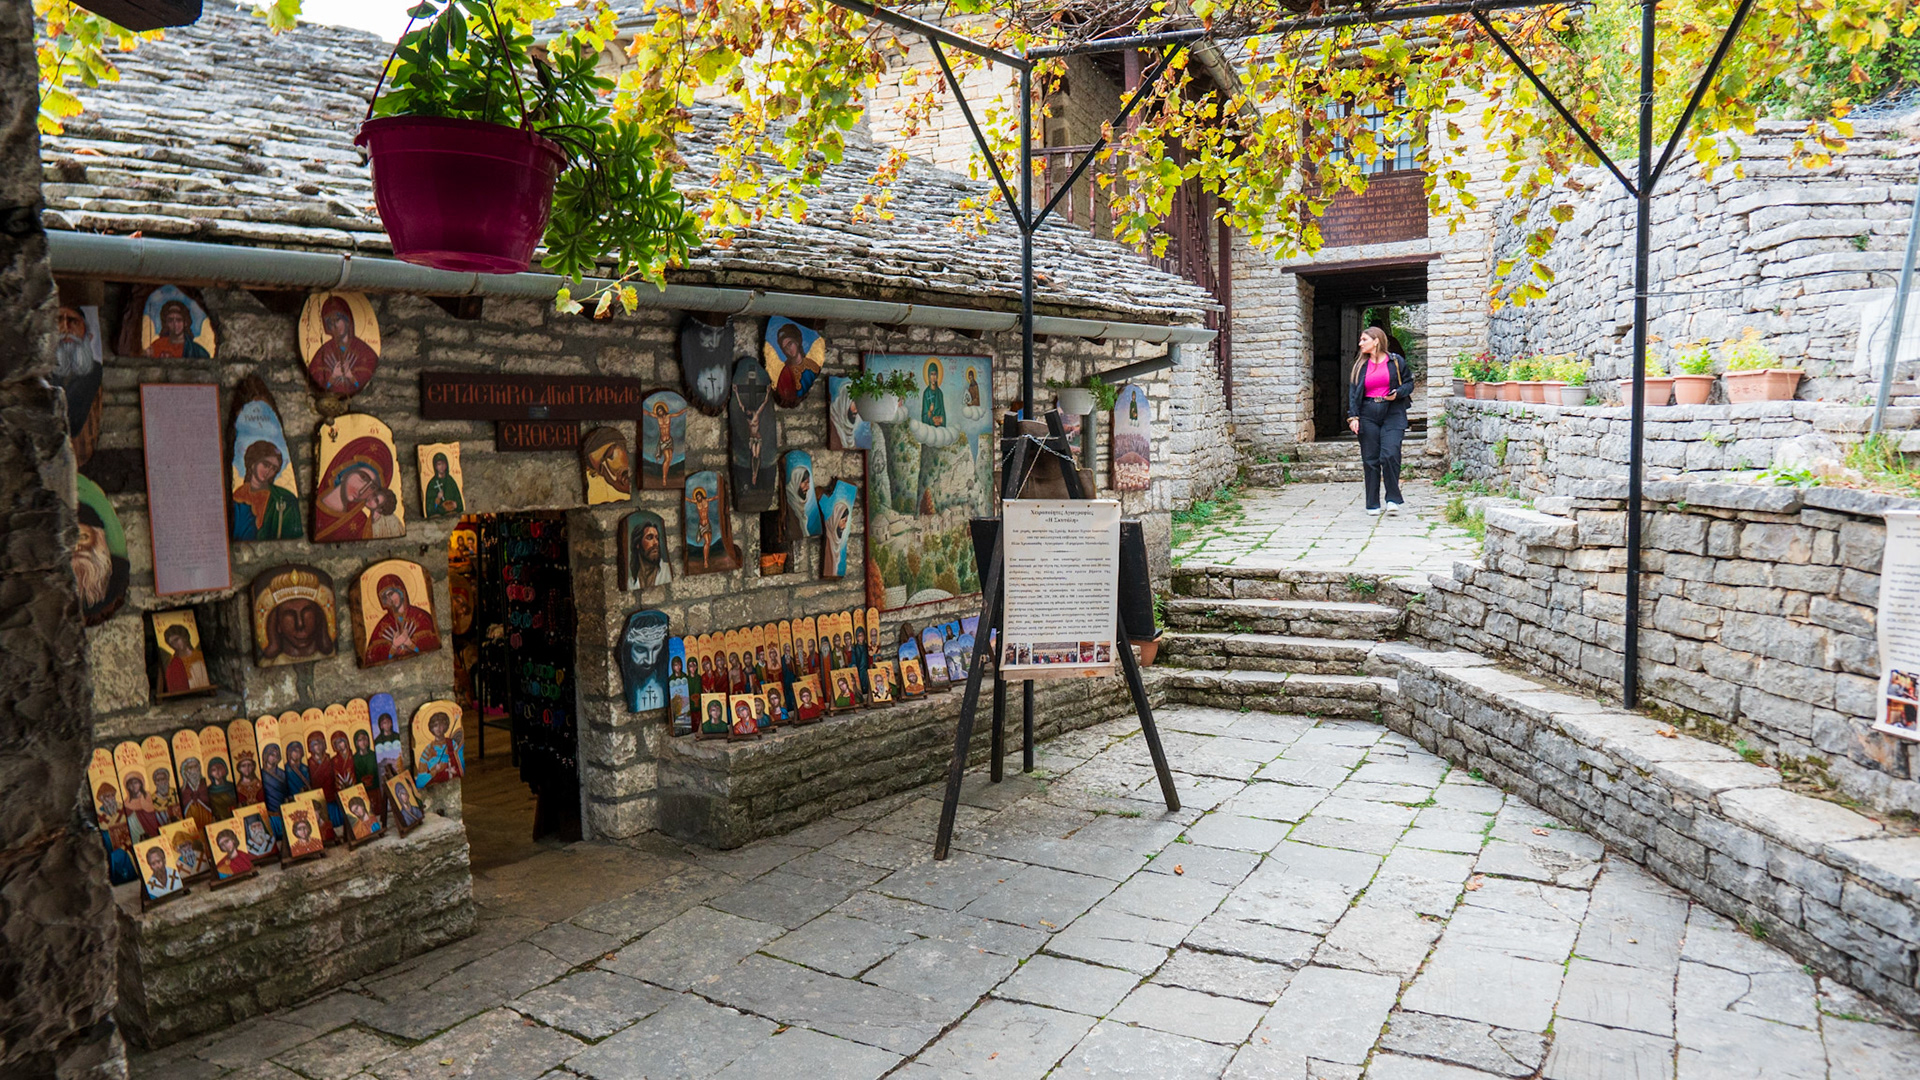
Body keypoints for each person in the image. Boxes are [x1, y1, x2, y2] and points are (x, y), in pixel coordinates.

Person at [1345, 326, 1415, 516]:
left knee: (1390, 454)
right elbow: (1353, 393)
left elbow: (1409, 383)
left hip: (1393, 411)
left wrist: (1397, 393)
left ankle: (1392, 499)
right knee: (1371, 459)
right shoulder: (1360, 366)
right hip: (1368, 412)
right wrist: (1353, 417)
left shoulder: (1395, 361)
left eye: (1364, 340)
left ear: (1376, 341)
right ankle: (1372, 503)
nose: (1360, 343)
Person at [307, 295, 379, 394]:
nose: (335, 326)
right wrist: (333, 376)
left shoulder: (363, 350)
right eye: (331, 323)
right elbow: (316, 372)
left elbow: (366, 375)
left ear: (347, 321)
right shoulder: (325, 350)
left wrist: (350, 375)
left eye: (338, 320)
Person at [232, 440, 302, 539]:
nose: (269, 471)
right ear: (253, 463)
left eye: (274, 468)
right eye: (266, 465)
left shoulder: (284, 498)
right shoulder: (239, 495)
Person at [363, 574, 440, 664]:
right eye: (385, 597)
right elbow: (372, 658)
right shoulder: (382, 625)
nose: (390, 599)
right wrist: (393, 647)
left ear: (400, 591)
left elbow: (434, 646)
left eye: (391, 594)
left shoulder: (420, 616)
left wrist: (410, 644)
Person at [415, 710, 465, 786]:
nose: (438, 728)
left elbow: (460, 764)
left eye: (441, 724)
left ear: (445, 726)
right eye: (435, 725)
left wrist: (455, 771)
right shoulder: (428, 750)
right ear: (431, 728)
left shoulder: (452, 744)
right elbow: (421, 779)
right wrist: (434, 771)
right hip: (434, 786)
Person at [162, 625, 209, 695]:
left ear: (184, 637)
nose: (175, 644)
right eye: (172, 643)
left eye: (176, 639)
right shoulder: (174, 663)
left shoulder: (199, 656)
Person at [424, 452, 463, 517]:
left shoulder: (450, 481)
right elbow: (429, 509)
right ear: (435, 466)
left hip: (452, 514)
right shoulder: (432, 483)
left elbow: (459, 501)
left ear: (446, 465)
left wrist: (456, 504)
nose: (441, 466)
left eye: (443, 463)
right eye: (439, 464)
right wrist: (437, 499)